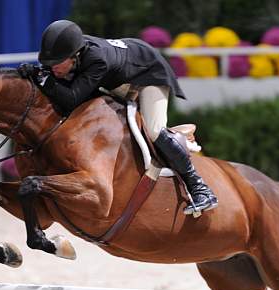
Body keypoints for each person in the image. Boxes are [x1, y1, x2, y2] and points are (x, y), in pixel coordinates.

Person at [17, 20, 217, 215]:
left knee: (154, 130)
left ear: (74, 56)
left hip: (149, 74)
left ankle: (199, 188)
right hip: (120, 76)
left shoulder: (96, 60)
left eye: (57, 64)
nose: (53, 68)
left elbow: (71, 99)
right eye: (49, 64)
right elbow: (58, 83)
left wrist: (43, 79)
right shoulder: (73, 51)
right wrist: (37, 73)